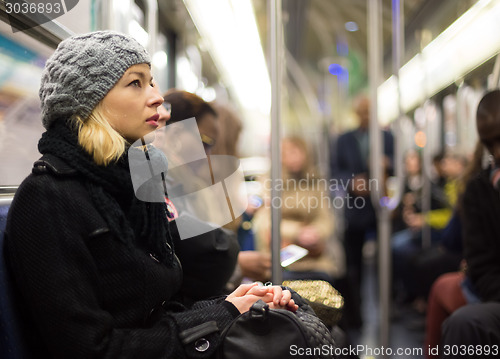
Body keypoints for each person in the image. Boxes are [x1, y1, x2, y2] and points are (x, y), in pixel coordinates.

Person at [4, 31, 298, 359]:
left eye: (152, 82)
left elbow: (163, 307)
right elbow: (91, 349)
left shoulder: (132, 183)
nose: (157, 97)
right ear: (89, 100)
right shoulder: (48, 198)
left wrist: (235, 304)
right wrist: (220, 315)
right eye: (136, 83)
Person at [427, 89, 500, 356]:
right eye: (491, 144)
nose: (498, 152)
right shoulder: (478, 190)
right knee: (463, 323)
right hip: (490, 284)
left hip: (453, 249)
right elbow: (482, 263)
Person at [330, 94, 394, 329]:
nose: (366, 116)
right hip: (355, 208)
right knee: (353, 263)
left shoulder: (387, 137)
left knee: (385, 259)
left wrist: (387, 166)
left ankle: (388, 305)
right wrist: (351, 183)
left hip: (381, 207)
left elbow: (398, 166)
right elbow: (336, 171)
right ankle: (356, 311)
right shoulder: (344, 139)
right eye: (363, 112)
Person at [254, 136, 342, 284]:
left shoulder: (315, 182)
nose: (294, 158)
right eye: (288, 153)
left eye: (297, 152)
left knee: (327, 281)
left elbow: (326, 218)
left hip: (313, 254)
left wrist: (315, 233)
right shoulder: (270, 182)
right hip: (281, 254)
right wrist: (297, 232)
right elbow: (265, 221)